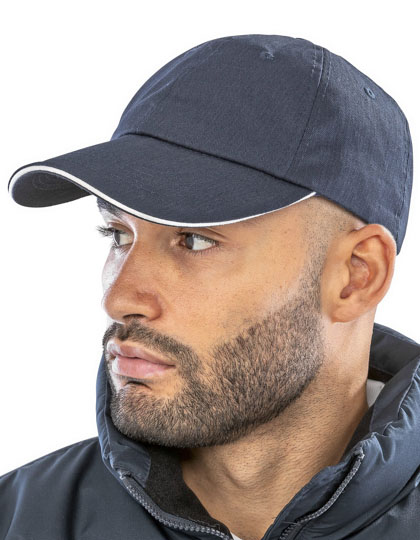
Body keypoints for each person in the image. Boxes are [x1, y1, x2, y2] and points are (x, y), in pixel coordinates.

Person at [2, 34, 418, 540]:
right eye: (117, 234)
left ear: (357, 275)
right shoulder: (20, 519)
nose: (119, 299)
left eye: (195, 240)